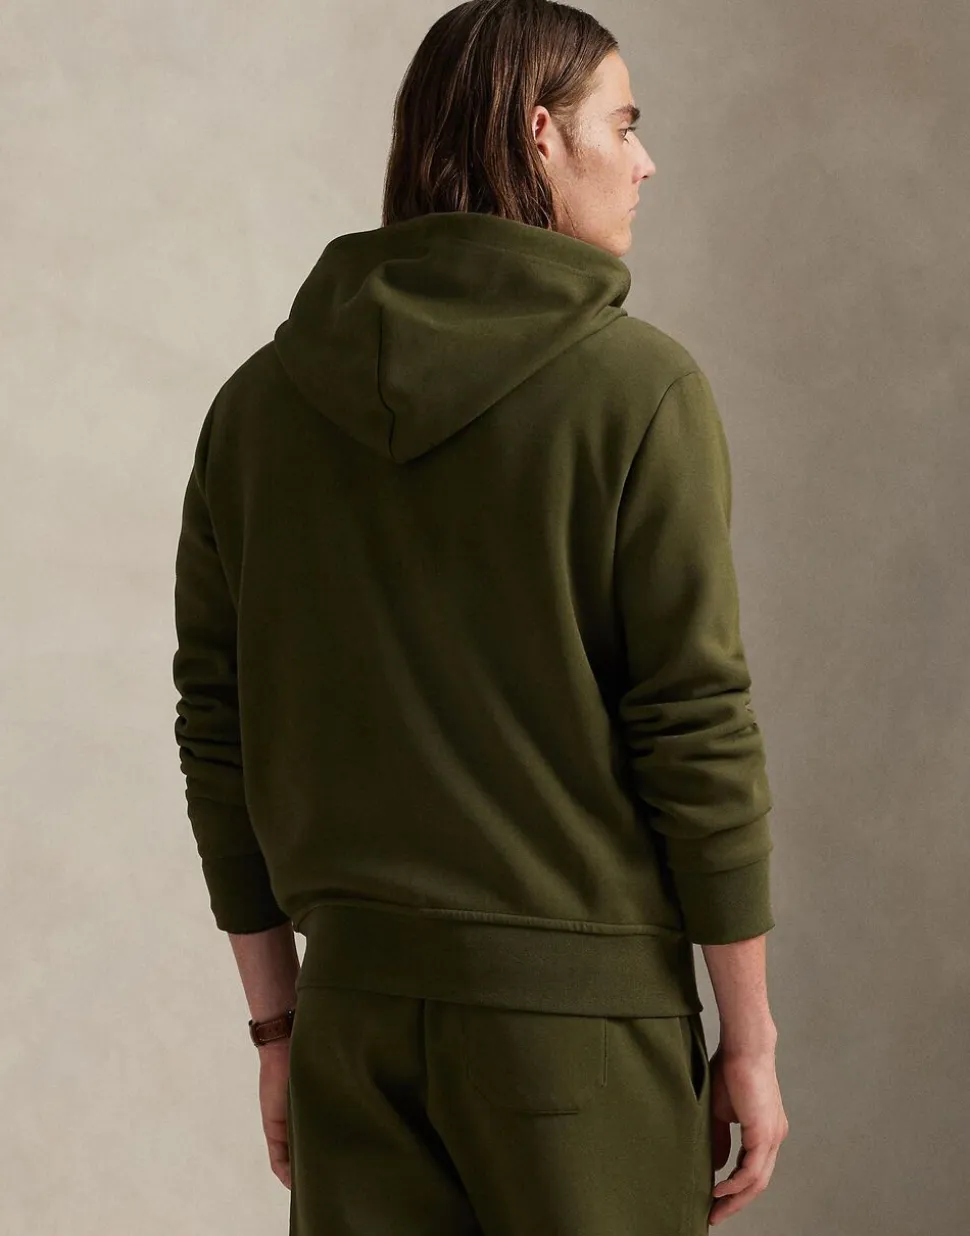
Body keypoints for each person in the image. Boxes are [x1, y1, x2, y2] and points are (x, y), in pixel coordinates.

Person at [171, 0, 789, 1231]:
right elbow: (693, 727)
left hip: (353, 1030)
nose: (644, 161)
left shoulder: (258, 408)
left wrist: (279, 1028)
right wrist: (751, 1040)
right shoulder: (637, 391)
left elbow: (218, 733)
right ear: (539, 133)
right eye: (623, 123)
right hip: (584, 1033)